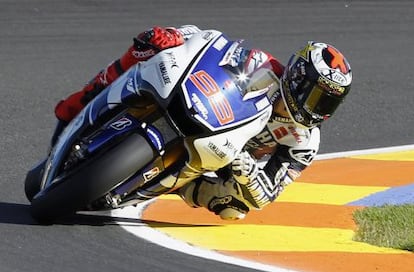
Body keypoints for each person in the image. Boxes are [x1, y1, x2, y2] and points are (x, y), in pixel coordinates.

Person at [52, 25, 352, 220]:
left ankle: (162, 185)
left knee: (235, 210)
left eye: (328, 102)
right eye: (316, 96)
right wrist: (178, 36)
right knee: (152, 44)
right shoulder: (262, 64)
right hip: (205, 109)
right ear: (298, 77)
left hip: (221, 159)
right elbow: (210, 42)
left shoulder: (304, 142)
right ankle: (82, 101)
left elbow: (269, 194)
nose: (318, 109)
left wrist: (247, 173)